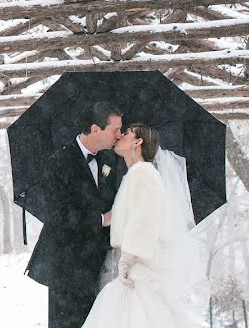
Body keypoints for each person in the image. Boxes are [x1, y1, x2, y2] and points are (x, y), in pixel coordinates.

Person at [82, 122, 208, 328]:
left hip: (139, 266)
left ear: (138, 142)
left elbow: (145, 221)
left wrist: (127, 259)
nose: (121, 135)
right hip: (137, 263)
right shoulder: (138, 173)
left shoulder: (143, 173)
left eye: (128, 133)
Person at [25, 102, 123, 328]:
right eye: (114, 130)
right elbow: (58, 215)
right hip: (65, 266)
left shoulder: (108, 160)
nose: (118, 135)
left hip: (98, 263)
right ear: (96, 129)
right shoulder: (58, 162)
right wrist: (101, 219)